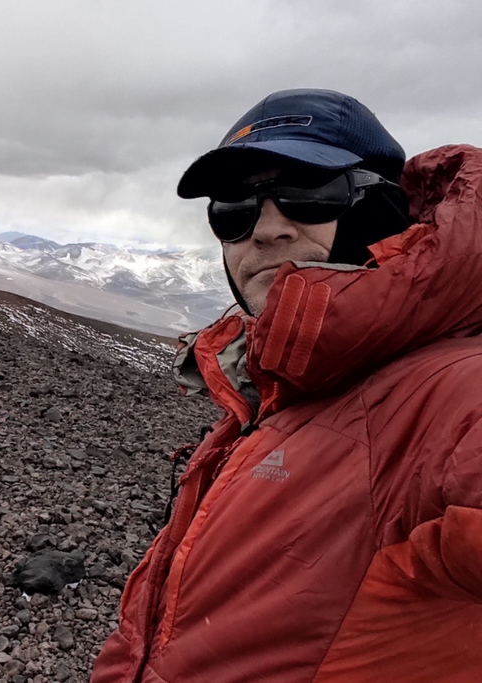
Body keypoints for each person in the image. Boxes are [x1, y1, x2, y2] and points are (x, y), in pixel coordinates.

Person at [91, 88, 482, 682]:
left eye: (311, 193)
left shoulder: (454, 394)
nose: (266, 228)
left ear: (381, 210)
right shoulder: (276, 387)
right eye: (234, 207)